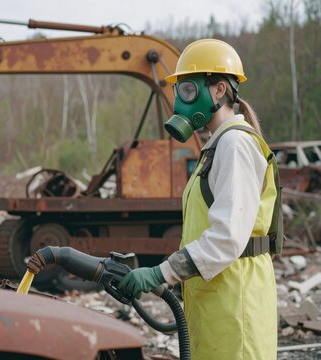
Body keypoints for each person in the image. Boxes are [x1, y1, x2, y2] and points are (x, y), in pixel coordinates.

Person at [118, 39, 279, 359]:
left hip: (236, 302)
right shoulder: (217, 147)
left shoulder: (235, 145)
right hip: (217, 299)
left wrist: (159, 273)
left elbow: (227, 237)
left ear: (219, 90)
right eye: (179, 91)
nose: (180, 100)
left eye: (188, 90)